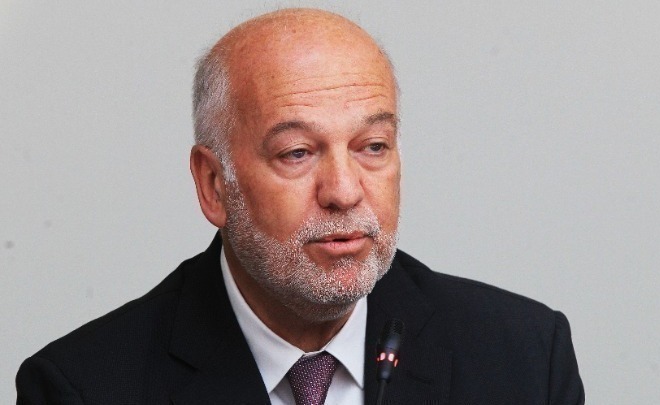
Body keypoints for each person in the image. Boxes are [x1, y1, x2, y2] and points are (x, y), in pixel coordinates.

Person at [16, 8, 584, 404]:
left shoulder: (525, 359)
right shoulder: (82, 388)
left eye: (372, 147)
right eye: (297, 153)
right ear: (214, 184)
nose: (344, 190)